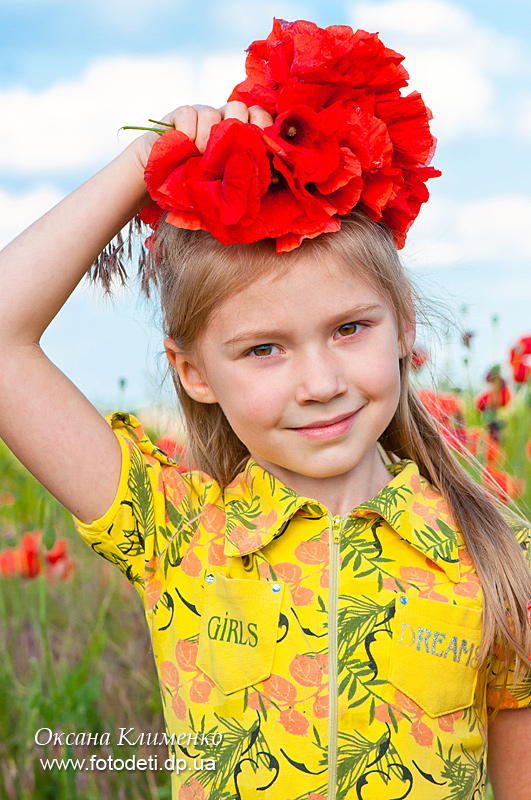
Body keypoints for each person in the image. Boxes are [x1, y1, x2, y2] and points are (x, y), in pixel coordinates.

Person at [1, 19, 531, 800]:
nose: (318, 381)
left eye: (349, 329)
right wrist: (143, 166)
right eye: (263, 350)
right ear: (193, 373)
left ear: (402, 329)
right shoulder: (174, 528)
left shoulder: (494, 552)